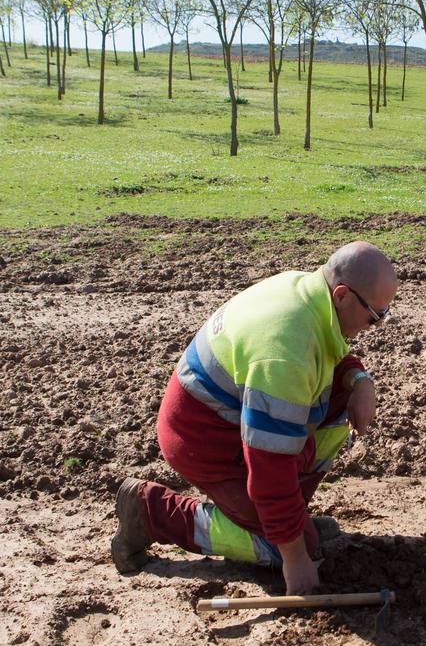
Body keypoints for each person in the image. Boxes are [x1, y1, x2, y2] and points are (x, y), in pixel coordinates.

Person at [111, 241, 397, 595]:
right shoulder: (286, 351)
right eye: (374, 315)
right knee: (289, 549)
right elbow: (268, 468)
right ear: (341, 296)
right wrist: (294, 555)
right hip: (203, 438)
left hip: (232, 420)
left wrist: (359, 380)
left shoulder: (309, 293)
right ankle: (152, 513)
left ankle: (280, 522)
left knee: (338, 410)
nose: (377, 325)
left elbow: (329, 352)